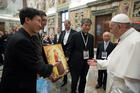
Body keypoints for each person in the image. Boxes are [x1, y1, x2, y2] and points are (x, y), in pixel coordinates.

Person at [0, 7, 59, 93]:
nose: (40, 25)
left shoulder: (20, 36)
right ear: (27, 20)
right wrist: (52, 66)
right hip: (17, 86)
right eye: (38, 21)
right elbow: (36, 66)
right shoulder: (22, 40)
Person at [88, 14, 140, 93]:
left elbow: (132, 84)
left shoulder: (136, 42)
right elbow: (115, 62)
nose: (110, 32)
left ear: (119, 27)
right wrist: (99, 62)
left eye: (111, 28)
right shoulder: (124, 39)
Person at [67, 18, 94, 93]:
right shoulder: (74, 35)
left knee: (83, 80)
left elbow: (91, 50)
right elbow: (69, 48)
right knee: (74, 81)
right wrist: (67, 58)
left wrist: (91, 60)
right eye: (86, 25)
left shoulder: (91, 37)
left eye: (89, 25)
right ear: (82, 25)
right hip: (75, 63)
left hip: (85, 63)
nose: (88, 27)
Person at [58, 20, 76, 87]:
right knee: (64, 67)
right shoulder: (62, 32)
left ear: (70, 24)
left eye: (66, 25)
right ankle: (64, 80)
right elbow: (59, 42)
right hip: (63, 54)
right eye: (64, 25)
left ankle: (73, 82)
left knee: (72, 69)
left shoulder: (74, 33)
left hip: (71, 54)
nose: (65, 26)